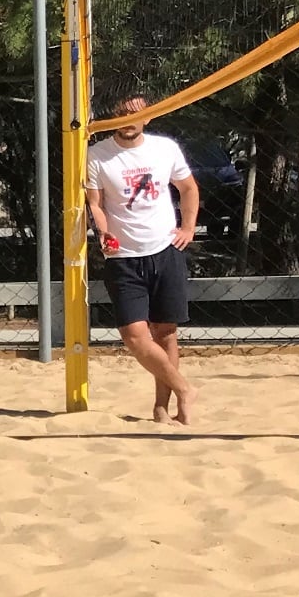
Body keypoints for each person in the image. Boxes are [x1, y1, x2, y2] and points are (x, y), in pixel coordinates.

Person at [85, 94, 202, 424]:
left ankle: (165, 408)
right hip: (123, 256)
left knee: (165, 333)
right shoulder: (97, 155)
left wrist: (188, 228)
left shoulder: (164, 148)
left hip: (165, 251)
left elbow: (188, 188)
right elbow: (95, 204)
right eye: (122, 112)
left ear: (148, 117)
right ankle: (184, 388)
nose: (128, 119)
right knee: (135, 336)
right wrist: (104, 233)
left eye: (136, 114)